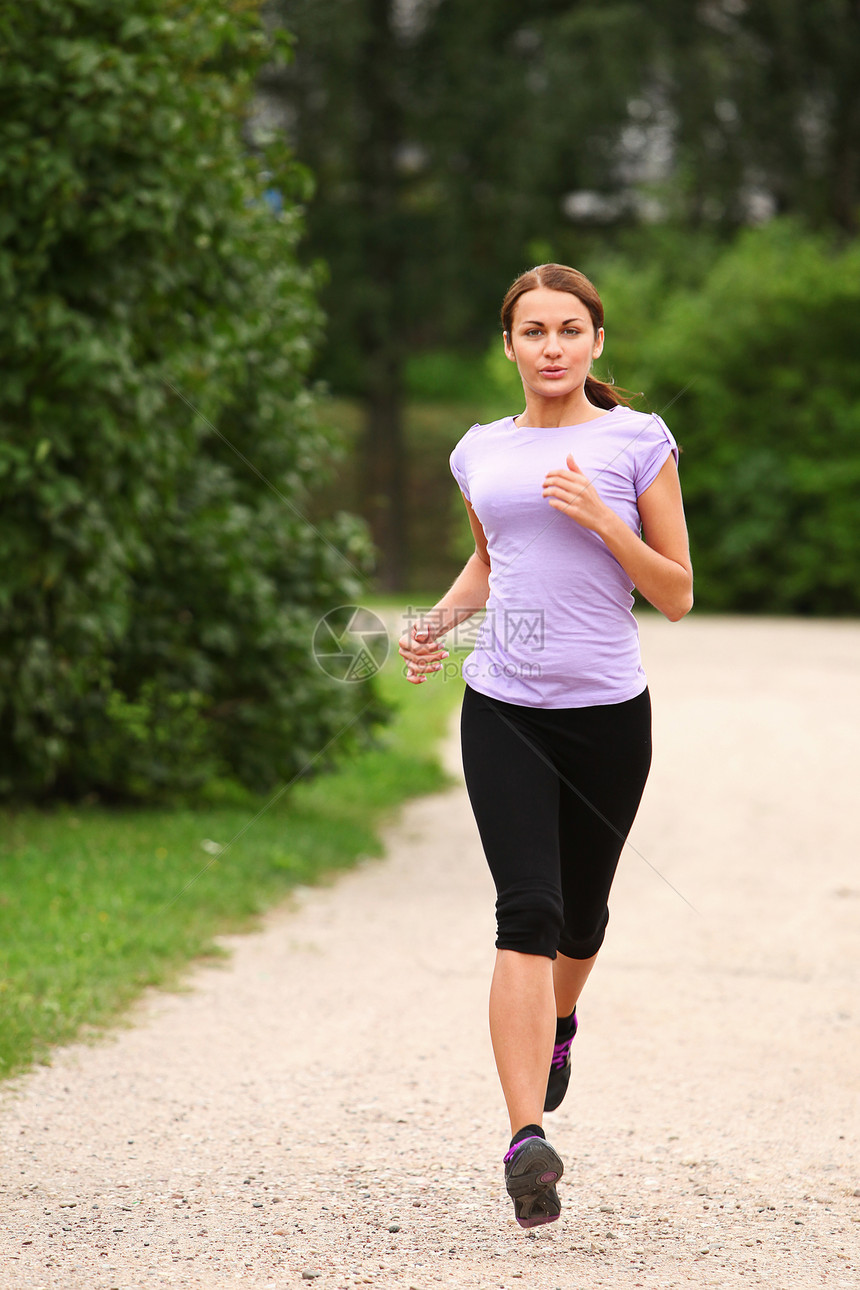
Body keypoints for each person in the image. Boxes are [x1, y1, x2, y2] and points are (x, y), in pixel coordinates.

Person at [398, 263, 693, 1229]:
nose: (554, 346)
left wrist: (605, 519)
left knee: (584, 920)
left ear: (596, 342)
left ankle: (561, 1023)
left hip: (609, 713)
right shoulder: (478, 451)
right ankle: (527, 1140)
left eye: (571, 329)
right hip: (505, 709)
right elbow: (491, 559)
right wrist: (435, 625)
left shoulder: (637, 442)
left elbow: (677, 592)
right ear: (511, 345)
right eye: (535, 331)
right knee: (526, 909)